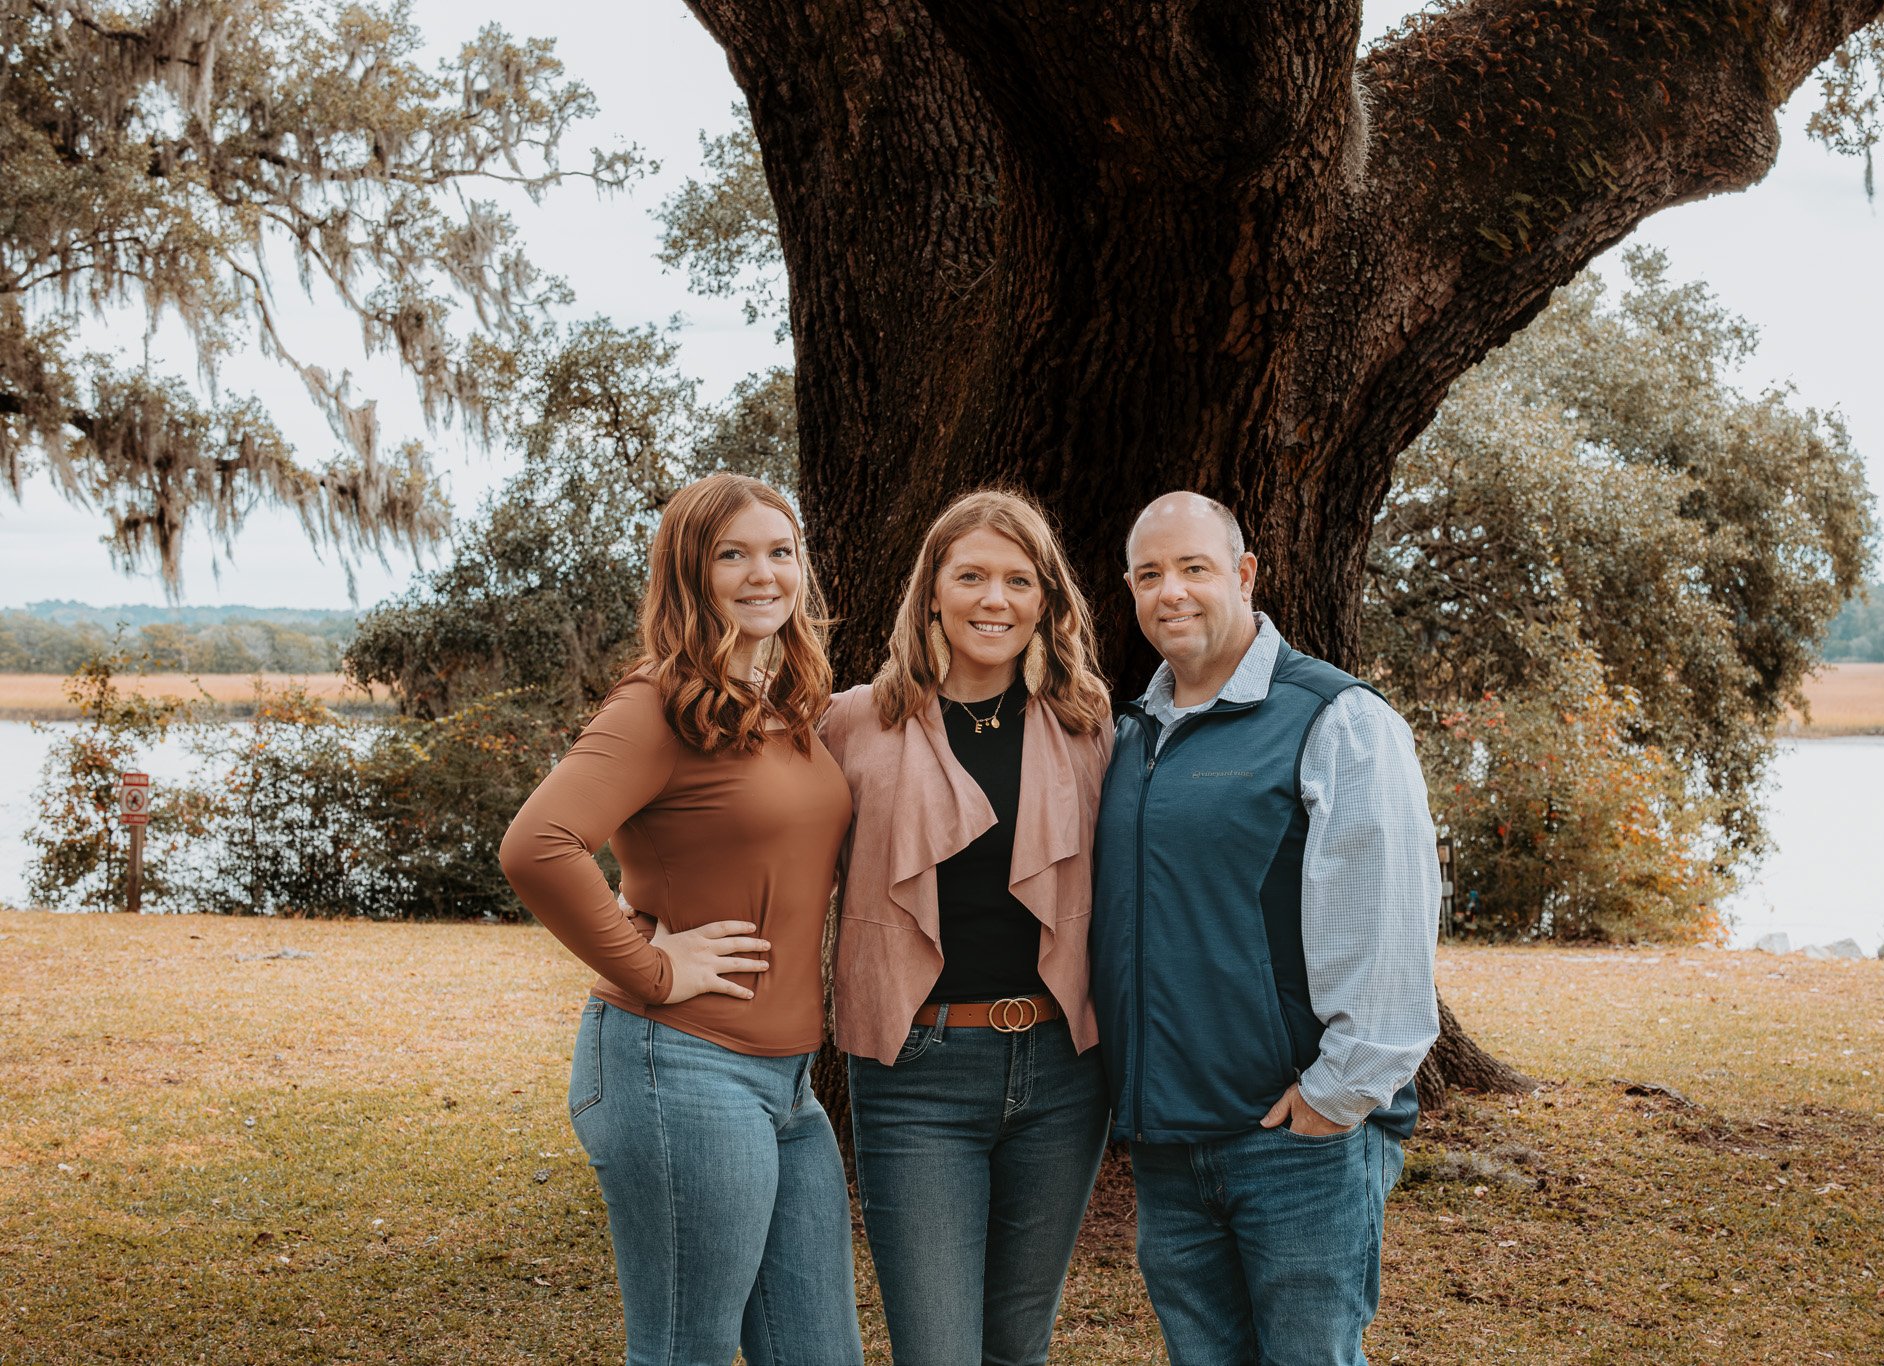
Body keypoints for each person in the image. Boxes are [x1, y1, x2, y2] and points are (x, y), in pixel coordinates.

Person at [498, 472, 862, 1366]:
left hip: (787, 1085)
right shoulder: (656, 702)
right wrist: (654, 967)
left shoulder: (781, 706)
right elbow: (538, 845)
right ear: (689, 573)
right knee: (682, 1351)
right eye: (732, 555)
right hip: (680, 1069)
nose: (763, 574)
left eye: (781, 552)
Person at [1089, 491, 1441, 1366]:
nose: (1171, 591)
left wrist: (1334, 1099)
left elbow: (1389, 923)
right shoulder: (1131, 734)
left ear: (1244, 575)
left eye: (1194, 568)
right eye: (1149, 574)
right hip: (1171, 1140)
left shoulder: (1337, 720)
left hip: (1293, 1140)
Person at [820, 490, 1115, 1366]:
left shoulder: (1088, 726)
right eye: (973, 576)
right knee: (939, 1351)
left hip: (1065, 1074)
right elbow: (759, 840)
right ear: (933, 594)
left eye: (1019, 580)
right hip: (918, 1076)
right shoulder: (852, 723)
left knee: (1017, 1349)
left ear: (1046, 601)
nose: (996, 599)